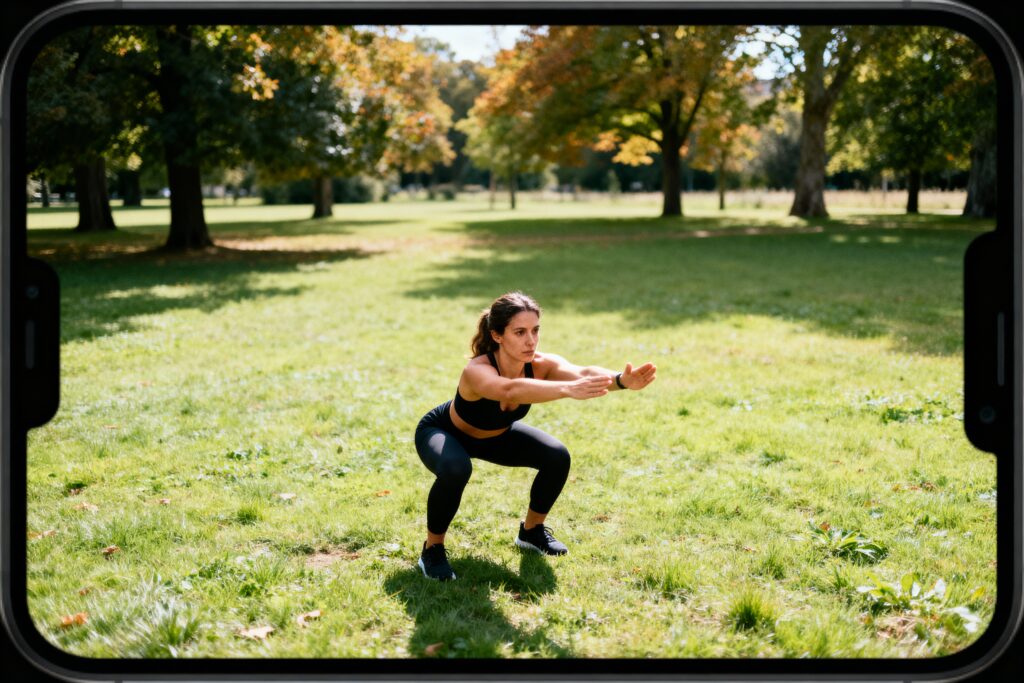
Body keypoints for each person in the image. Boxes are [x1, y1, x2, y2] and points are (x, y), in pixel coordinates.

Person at [413, 291, 657, 581]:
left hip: (496, 436)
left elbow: (582, 371)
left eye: (535, 330)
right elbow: (509, 390)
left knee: (556, 456)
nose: (530, 340)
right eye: (519, 332)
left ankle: (531, 532)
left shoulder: (541, 364)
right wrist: (566, 390)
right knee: (456, 468)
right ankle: (433, 549)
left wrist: (621, 380)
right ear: (498, 335)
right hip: (445, 431)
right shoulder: (477, 370)